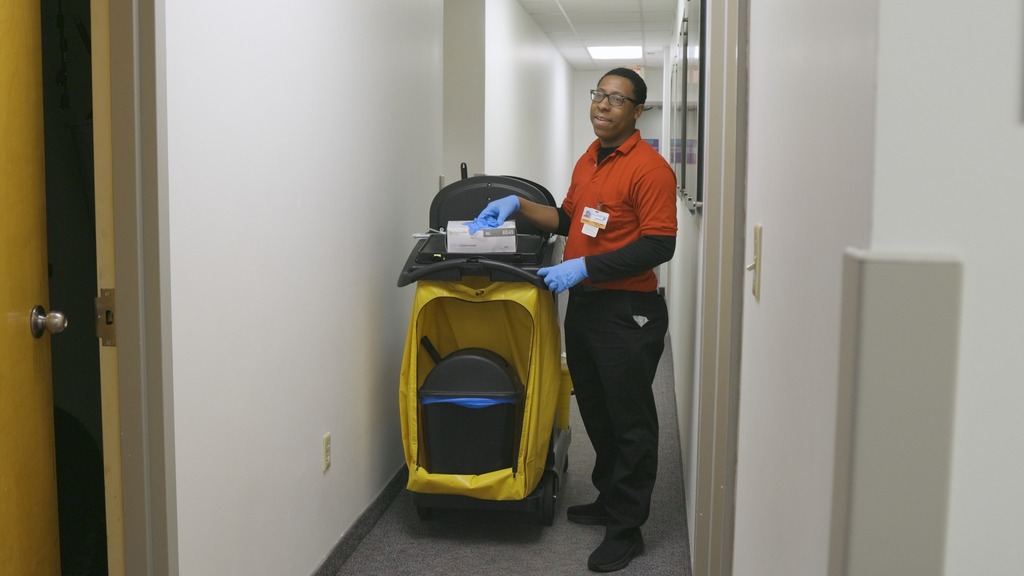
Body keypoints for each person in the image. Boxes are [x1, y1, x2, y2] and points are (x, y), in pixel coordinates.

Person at [468, 68, 677, 573]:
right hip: (585, 306)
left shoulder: (650, 169)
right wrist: (518, 205)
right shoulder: (591, 158)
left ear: (637, 111)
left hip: (628, 312)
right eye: (599, 95)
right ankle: (609, 500)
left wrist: (583, 265)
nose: (603, 106)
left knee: (630, 422)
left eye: (617, 99)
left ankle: (627, 530)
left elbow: (659, 244)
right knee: (597, 413)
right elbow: (567, 217)